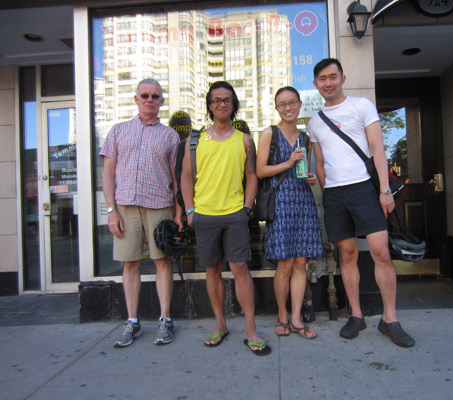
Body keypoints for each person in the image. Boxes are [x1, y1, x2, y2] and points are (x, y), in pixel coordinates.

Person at [307, 58, 415, 348]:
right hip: (335, 194)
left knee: (381, 253)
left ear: (343, 78)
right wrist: (327, 192)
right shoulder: (315, 121)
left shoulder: (362, 106)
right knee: (347, 255)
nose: (328, 83)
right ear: (315, 84)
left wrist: (384, 190)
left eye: (333, 77)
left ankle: (390, 319)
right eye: (322, 79)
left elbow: (378, 148)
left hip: (364, 189)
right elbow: (320, 163)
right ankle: (356, 315)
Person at [181, 81, 271, 356]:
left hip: (234, 215)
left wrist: (246, 209)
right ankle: (220, 324)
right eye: (216, 100)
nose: (222, 104)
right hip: (204, 215)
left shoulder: (244, 140)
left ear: (234, 105)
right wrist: (190, 211)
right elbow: (185, 176)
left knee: (240, 268)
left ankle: (250, 329)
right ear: (210, 105)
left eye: (227, 100)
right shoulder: (195, 140)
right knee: (212, 270)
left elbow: (252, 176)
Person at [100, 78, 182, 348]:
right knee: (130, 263)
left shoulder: (170, 136)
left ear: (161, 101)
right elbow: (108, 173)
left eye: (155, 96)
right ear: (136, 99)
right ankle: (132, 321)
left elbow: (176, 178)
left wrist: (178, 212)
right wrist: (111, 210)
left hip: (160, 204)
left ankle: (165, 319)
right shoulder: (118, 131)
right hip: (125, 205)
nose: (150, 100)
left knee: (162, 261)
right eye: (145, 95)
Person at [256, 86, 323, 339]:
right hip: (281, 202)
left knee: (301, 262)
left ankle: (296, 318)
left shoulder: (305, 138)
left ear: (299, 104)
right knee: (284, 263)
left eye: (292, 103)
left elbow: (302, 171)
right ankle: (282, 316)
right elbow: (260, 171)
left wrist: (310, 177)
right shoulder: (269, 134)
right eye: (282, 104)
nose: (288, 108)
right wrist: (288, 162)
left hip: (302, 201)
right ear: (277, 108)